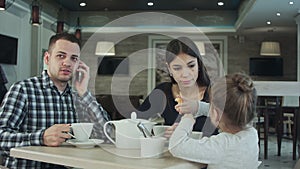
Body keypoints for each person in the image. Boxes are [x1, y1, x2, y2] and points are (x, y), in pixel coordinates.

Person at [0, 33, 110, 169]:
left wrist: (84, 92)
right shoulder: (23, 89)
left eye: (73, 58)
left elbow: (107, 135)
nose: (67, 63)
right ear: (47, 58)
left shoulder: (78, 97)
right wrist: (41, 138)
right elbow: (1, 137)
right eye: (61, 56)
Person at [169, 73, 260, 169]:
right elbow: (224, 111)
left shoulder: (221, 146)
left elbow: (176, 146)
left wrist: (188, 118)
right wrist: (197, 107)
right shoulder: (251, 134)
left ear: (216, 114)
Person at [138, 36, 216, 136]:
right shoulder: (162, 92)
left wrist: (182, 133)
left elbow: (234, 123)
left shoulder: (215, 92)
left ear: (199, 64)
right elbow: (137, 122)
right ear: (169, 69)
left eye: (191, 65)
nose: (185, 74)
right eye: (177, 68)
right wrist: (160, 133)